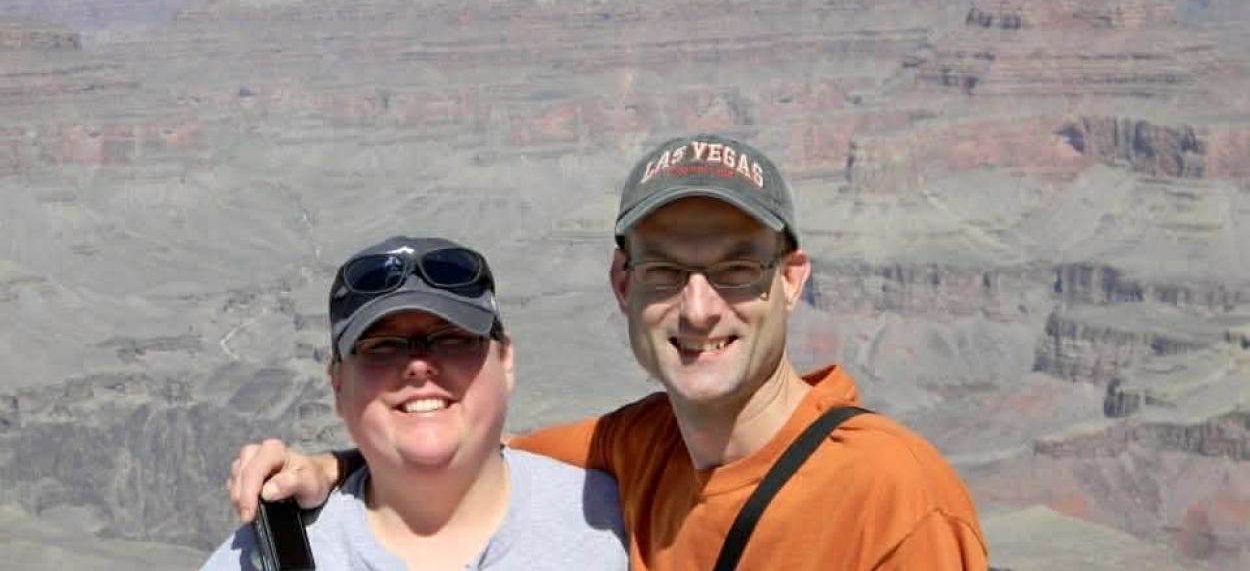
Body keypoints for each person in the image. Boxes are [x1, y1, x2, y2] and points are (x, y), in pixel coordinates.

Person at [227, 135, 989, 570]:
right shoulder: (637, 447)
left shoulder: (893, 496)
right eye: (664, 271)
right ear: (624, 283)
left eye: (735, 270)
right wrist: (335, 466)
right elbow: (463, 447)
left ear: (791, 279)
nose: (698, 308)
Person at [203, 236, 627, 571]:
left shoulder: (623, 518)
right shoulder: (263, 557)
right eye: (382, 347)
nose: (419, 365)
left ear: (506, 359)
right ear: (337, 384)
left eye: (453, 339)